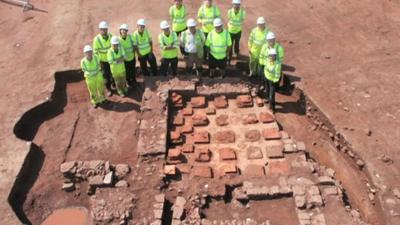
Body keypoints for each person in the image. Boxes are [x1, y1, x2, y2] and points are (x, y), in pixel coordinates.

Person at [93, 21, 114, 96]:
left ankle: (113, 85)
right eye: (103, 29)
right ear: (100, 30)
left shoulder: (111, 36)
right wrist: (98, 63)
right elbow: (95, 52)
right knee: (106, 76)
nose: (104, 31)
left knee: (113, 74)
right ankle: (108, 89)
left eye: (105, 29)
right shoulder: (96, 39)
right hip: (103, 62)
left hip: (111, 60)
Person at [264, 48, 282, 113]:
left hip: (273, 81)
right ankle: (268, 100)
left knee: (272, 95)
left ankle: (272, 108)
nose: (272, 57)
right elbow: (266, 68)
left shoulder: (277, 65)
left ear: (275, 56)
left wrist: (275, 81)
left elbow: (277, 74)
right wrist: (265, 76)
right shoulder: (268, 61)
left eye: (273, 55)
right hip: (267, 78)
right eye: (271, 55)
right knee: (267, 91)